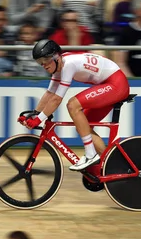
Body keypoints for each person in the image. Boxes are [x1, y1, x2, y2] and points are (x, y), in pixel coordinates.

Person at [20, 39, 130, 171]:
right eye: (40, 62)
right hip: (108, 84)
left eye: (46, 60)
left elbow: (56, 99)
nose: (44, 65)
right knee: (83, 126)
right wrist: (35, 113)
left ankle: (91, 155)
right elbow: (49, 93)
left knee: (73, 105)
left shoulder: (68, 65)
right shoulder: (58, 67)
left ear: (56, 57)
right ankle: (113, 165)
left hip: (116, 84)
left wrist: (38, 120)